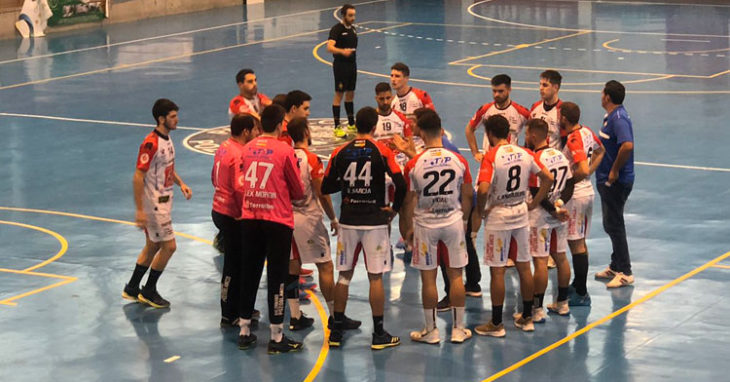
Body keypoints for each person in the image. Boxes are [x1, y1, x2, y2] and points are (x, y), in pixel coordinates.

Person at [322, 106, 406, 350]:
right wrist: (395, 210)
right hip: (374, 221)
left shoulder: (340, 152)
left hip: (348, 220)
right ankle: (378, 333)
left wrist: (348, 188)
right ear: (374, 127)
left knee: (344, 275)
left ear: (356, 125)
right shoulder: (382, 151)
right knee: (375, 277)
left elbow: (326, 187)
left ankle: (336, 331)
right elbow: (400, 184)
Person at [472, 115, 553, 337]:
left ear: (489, 134)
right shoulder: (525, 153)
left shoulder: (490, 156)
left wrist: (481, 210)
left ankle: (497, 323)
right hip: (520, 212)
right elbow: (547, 177)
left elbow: (482, 188)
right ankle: (527, 317)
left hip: (498, 216)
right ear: (508, 133)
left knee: (497, 271)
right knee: (525, 266)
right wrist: (534, 203)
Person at [235, 105, 305, 354]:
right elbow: (298, 190)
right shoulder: (285, 150)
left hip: (250, 217)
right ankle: (276, 337)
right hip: (277, 220)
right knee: (277, 277)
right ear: (279, 125)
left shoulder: (247, 148)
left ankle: (244, 330)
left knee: (249, 272)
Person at [400, 110, 474, 344]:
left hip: (426, 224)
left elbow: (409, 199)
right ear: (441, 131)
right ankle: (459, 329)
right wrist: (464, 220)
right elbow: (468, 194)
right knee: (456, 277)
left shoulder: (414, 163)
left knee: (429, 280)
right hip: (453, 222)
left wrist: (408, 227)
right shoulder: (458, 159)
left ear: (420, 132)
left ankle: (431, 330)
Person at [285, 117, 362, 332]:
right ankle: (334, 317)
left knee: (292, 267)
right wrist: (333, 219)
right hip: (308, 219)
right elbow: (323, 193)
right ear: (307, 133)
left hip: (286, 218)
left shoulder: (284, 156)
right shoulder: (311, 159)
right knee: (326, 266)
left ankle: (294, 316)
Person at [123, 99, 193, 308]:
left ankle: (132, 287)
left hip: (164, 199)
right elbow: (138, 176)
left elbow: (166, 166)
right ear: (161, 119)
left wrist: (181, 183)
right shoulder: (151, 143)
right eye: (172, 117)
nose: (177, 120)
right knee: (169, 247)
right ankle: (149, 290)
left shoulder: (167, 140)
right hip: (155, 204)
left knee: (153, 245)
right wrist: (139, 210)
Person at [211, 113, 261, 327]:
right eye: (255, 130)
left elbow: (214, 176)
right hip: (233, 214)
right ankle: (233, 312)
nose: (257, 134)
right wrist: (245, 212)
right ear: (246, 132)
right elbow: (241, 186)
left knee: (232, 264)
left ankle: (231, 310)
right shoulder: (240, 153)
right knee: (237, 265)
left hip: (218, 209)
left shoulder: (223, 147)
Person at [524, 119, 575, 320]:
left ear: (534, 136)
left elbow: (537, 191)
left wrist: (552, 210)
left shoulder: (536, 159)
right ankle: (562, 303)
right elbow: (570, 184)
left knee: (541, 262)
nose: (526, 138)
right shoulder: (560, 156)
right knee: (561, 257)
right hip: (560, 215)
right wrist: (560, 204)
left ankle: (537, 309)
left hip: (541, 217)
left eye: (527, 134)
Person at [559, 102, 605, 305]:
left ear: (564, 119)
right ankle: (578, 284)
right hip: (587, 192)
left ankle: (581, 292)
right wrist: (589, 174)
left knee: (575, 243)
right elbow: (600, 151)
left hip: (576, 196)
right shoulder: (587, 131)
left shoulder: (574, 139)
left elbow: (583, 169)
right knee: (580, 241)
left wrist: (569, 182)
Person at [595, 80, 635, 288]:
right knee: (610, 223)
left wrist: (614, 170)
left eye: (602, 92)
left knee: (615, 224)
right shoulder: (610, 116)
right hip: (606, 180)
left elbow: (627, 145)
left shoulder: (618, 119)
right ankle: (615, 264)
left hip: (615, 182)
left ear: (607, 97)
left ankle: (625, 271)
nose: (600, 95)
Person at [465, 74, 530, 162]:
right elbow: (469, 129)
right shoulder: (485, 110)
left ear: (509, 90)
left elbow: (534, 131)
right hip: (489, 161)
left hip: (511, 161)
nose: (496, 95)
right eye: (494, 91)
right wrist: (475, 152)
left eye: (500, 91)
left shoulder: (521, 112)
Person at [328, 4, 358, 137]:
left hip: (352, 65)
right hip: (341, 66)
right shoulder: (336, 29)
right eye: (350, 15)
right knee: (339, 94)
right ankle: (337, 126)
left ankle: (351, 124)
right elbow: (329, 47)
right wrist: (342, 52)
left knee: (350, 93)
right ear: (344, 15)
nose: (353, 18)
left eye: (354, 15)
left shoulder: (353, 29)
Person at [530, 70, 564, 149]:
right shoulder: (535, 107)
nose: (541, 88)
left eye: (545, 85)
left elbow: (565, 142)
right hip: (536, 158)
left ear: (555, 88)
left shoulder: (562, 111)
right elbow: (529, 136)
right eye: (540, 84)